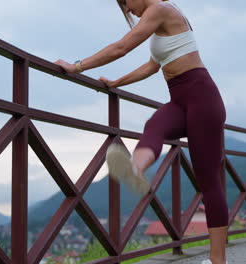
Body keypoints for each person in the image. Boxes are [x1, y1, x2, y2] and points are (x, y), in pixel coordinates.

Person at [54, 1, 228, 263]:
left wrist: (77, 66)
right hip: (180, 99)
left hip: (202, 98)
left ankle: (218, 260)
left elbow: (121, 47)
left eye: (126, 2)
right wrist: (116, 82)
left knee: (209, 181)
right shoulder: (159, 23)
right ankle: (136, 168)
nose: (127, 10)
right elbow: (151, 66)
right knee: (154, 126)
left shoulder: (161, 9)